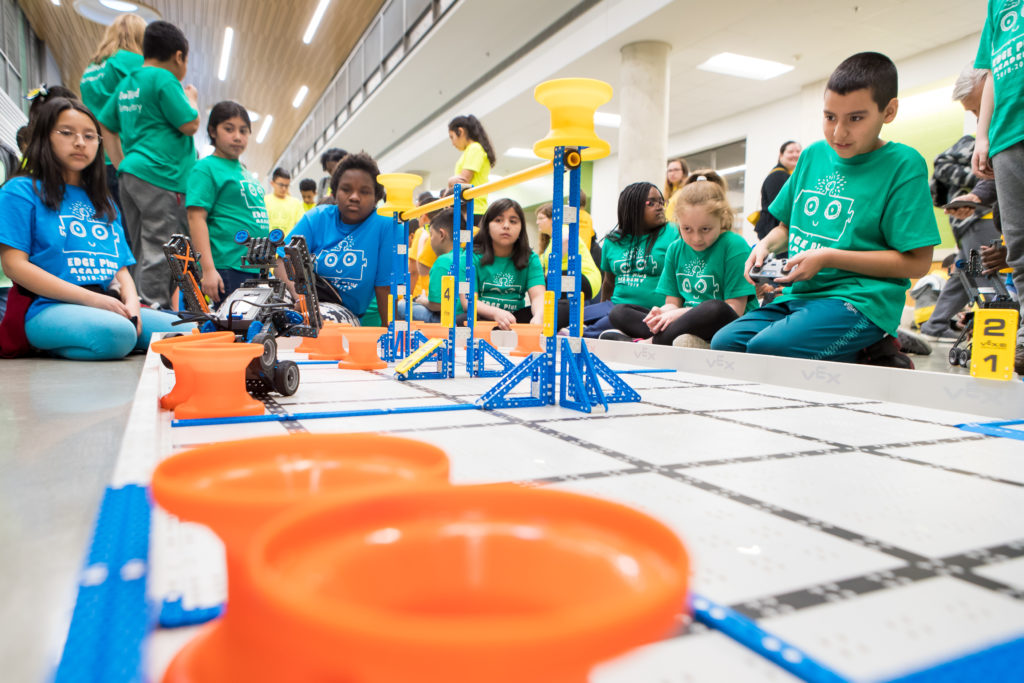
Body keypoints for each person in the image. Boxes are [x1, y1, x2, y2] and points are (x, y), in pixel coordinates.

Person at [711, 52, 940, 362]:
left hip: (859, 300)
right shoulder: (812, 155)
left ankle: (876, 352)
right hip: (799, 296)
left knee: (770, 350)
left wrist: (828, 257)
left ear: (889, 111)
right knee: (726, 344)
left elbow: (917, 263)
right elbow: (785, 228)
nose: (838, 132)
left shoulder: (903, 165)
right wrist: (763, 245)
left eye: (855, 118)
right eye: (830, 116)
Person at [0, 98, 183, 360]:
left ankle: (94, 337)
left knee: (190, 331)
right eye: (66, 133)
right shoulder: (19, 191)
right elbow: (14, 266)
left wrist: (132, 304)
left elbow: (120, 269)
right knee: (118, 334)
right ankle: (44, 343)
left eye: (89, 136)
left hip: (107, 303)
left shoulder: (104, 200)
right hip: (46, 307)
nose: (79, 142)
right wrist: (93, 301)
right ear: (44, 137)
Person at [99, 20, 199, 310]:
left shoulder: (128, 82)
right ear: (178, 56)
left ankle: (146, 307)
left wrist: (121, 164)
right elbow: (190, 124)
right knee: (163, 248)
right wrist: (191, 98)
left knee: (142, 249)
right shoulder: (164, 78)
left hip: (132, 175)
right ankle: (151, 312)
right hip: (162, 176)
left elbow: (106, 124)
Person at [610, 173, 756, 347]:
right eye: (687, 229)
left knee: (714, 308)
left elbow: (734, 310)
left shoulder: (734, 245)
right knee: (619, 312)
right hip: (685, 322)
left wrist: (677, 315)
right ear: (678, 222)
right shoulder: (676, 248)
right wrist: (661, 313)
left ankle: (649, 342)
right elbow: (672, 304)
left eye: (705, 229)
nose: (696, 238)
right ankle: (655, 339)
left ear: (722, 218)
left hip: (724, 324)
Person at [920, 64, 1001, 341]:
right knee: (982, 270)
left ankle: (936, 324)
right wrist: (976, 187)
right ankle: (995, 331)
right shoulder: (974, 142)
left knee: (969, 271)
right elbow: (942, 165)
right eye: (976, 112)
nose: (981, 117)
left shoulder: (1000, 130)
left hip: (978, 217)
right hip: (975, 219)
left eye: (979, 109)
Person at [275, 152, 391, 326]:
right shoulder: (317, 217)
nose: (354, 197)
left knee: (315, 319)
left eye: (364, 192)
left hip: (343, 312)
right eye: (346, 189)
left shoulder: (384, 226)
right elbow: (283, 260)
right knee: (258, 305)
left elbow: (384, 287)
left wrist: (390, 332)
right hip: (299, 296)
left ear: (376, 197)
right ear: (335, 192)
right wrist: (300, 296)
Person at [972, 0, 1024, 374]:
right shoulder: (998, 5)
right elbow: (992, 72)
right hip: (1007, 135)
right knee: (1018, 243)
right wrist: (982, 135)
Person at [185, 101, 269, 304]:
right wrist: (208, 270)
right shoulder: (205, 168)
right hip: (228, 267)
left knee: (252, 331)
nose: (237, 137)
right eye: (229, 129)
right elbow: (196, 218)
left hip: (254, 266)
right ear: (213, 131)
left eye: (243, 131)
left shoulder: (244, 172)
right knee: (235, 331)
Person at [583, 182, 676, 338]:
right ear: (632, 207)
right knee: (567, 314)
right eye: (651, 203)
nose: (660, 207)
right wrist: (601, 310)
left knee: (603, 324)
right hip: (615, 307)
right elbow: (609, 282)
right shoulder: (613, 240)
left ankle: (614, 334)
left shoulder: (673, 233)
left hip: (651, 312)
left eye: (661, 202)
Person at [79, 13, 146, 225]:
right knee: (131, 232)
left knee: (103, 225)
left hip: (93, 158)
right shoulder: (134, 62)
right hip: (123, 156)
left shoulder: (90, 69)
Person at [464, 198, 544, 330]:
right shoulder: (469, 257)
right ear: (487, 226)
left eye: (513, 221)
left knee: (561, 307)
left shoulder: (530, 258)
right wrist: (496, 313)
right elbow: (468, 300)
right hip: (479, 319)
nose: (506, 225)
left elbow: (538, 296)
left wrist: (539, 317)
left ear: (521, 228)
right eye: (498, 220)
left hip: (512, 320)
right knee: (464, 319)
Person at [402, 208, 459, 324]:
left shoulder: (442, 261)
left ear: (442, 235)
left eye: (431, 235)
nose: (430, 241)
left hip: (446, 320)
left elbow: (436, 305)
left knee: (401, 306)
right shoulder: (466, 256)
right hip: (464, 316)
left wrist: (422, 300)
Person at [447, 114, 496, 223]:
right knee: (464, 240)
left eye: (452, 137)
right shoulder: (470, 150)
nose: (452, 143)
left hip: (473, 211)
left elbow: (463, 181)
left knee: (468, 239)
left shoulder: (475, 148)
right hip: (467, 210)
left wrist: (450, 182)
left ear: (460, 131)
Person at [753, 141, 802, 241]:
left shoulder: (787, 175)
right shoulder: (779, 176)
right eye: (790, 151)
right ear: (781, 155)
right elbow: (783, 208)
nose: (795, 155)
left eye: (798, 151)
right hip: (775, 231)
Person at [265, 167, 304, 236]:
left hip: (289, 244)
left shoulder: (296, 203)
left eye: (287, 186)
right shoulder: (264, 201)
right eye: (281, 185)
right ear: (272, 183)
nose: (284, 188)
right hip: (269, 243)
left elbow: (301, 225)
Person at [663, 157, 689, 230]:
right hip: (668, 231)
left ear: (684, 172)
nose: (672, 173)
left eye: (676, 170)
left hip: (679, 231)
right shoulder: (667, 194)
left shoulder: (686, 191)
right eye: (670, 171)